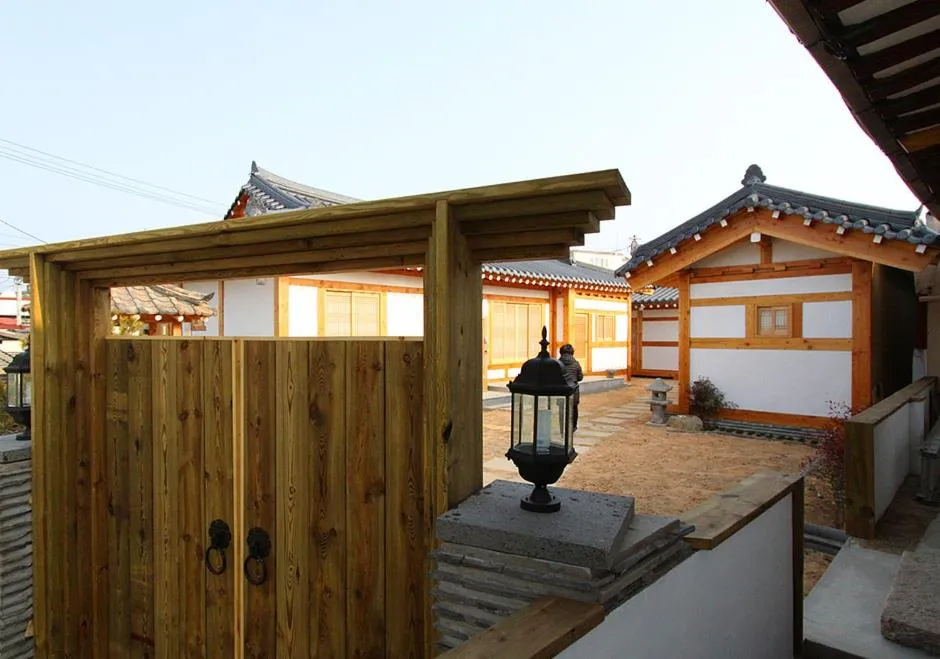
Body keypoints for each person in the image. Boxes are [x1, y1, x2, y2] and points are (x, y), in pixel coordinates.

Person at [558, 344, 583, 431]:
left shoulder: (558, 363)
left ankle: (562, 426)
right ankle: (573, 426)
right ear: (572, 353)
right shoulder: (576, 364)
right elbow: (580, 377)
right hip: (573, 389)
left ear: (561, 353)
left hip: (561, 389)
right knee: (574, 408)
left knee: (561, 409)